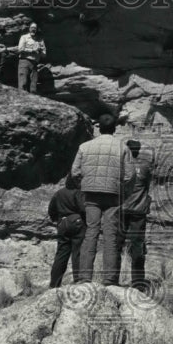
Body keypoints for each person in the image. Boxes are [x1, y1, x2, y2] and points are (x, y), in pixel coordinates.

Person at [70, 113, 133, 285]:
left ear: (99, 128)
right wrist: (122, 191)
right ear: (114, 129)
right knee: (110, 235)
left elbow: (75, 172)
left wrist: (83, 186)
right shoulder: (123, 148)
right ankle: (110, 280)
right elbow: (129, 176)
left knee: (91, 232)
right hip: (113, 194)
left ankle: (83, 278)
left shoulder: (84, 146)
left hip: (90, 193)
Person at [115, 139, 152, 291]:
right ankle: (138, 283)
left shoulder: (120, 166)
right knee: (137, 246)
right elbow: (147, 186)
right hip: (139, 210)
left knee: (116, 245)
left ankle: (112, 280)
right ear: (138, 150)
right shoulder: (145, 167)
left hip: (122, 209)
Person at [47, 174, 86, 289]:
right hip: (77, 221)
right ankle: (78, 281)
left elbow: (51, 210)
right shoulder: (78, 192)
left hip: (62, 224)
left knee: (61, 254)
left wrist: (58, 220)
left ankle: (54, 284)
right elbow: (83, 208)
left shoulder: (58, 193)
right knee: (77, 252)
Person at [16, 23, 47, 93]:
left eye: (35, 28)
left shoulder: (40, 40)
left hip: (34, 64)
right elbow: (20, 49)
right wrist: (32, 51)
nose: (33, 29)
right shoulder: (24, 37)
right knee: (22, 84)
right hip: (24, 62)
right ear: (29, 28)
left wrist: (39, 52)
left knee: (33, 86)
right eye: (32, 27)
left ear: (37, 30)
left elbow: (44, 54)